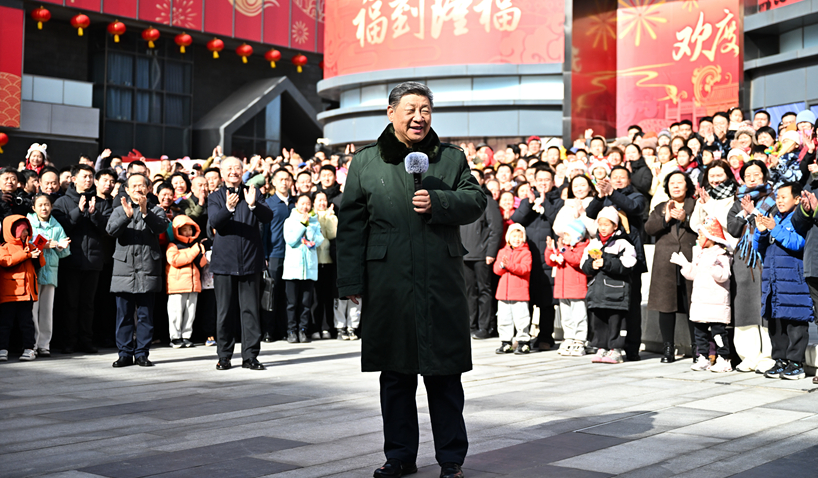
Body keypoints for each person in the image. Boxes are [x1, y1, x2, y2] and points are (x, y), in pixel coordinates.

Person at [336, 82, 485, 478]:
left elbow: (476, 200)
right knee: (396, 374)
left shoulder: (451, 159)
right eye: (411, 109)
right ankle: (399, 455)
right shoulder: (366, 162)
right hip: (389, 282)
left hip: (440, 281)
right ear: (391, 113)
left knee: (444, 374)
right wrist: (350, 279)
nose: (419, 117)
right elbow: (351, 224)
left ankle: (451, 459)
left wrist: (441, 202)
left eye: (426, 110)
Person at [209, 157, 274, 371]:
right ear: (222, 172)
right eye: (229, 168)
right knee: (224, 312)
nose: (233, 172)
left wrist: (254, 204)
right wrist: (227, 209)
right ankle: (224, 356)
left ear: (242, 170)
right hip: (224, 262)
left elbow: (268, 216)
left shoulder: (252, 192)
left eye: (237, 168)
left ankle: (250, 357)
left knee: (250, 311)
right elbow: (215, 222)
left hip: (250, 261)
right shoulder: (216, 196)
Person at [107, 174, 169, 368]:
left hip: (147, 269)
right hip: (124, 269)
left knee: (145, 315)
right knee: (123, 314)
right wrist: (126, 217)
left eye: (141, 185)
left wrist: (144, 212)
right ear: (127, 189)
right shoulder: (119, 209)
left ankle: (142, 353)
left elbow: (161, 228)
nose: (137, 189)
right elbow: (111, 231)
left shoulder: (156, 210)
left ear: (148, 189)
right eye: (133, 186)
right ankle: (124, 353)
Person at [754, 182, 813, 380]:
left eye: (784, 196)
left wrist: (774, 228)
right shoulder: (775, 218)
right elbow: (760, 249)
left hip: (793, 281)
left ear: (797, 199)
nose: (779, 200)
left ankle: (796, 363)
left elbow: (797, 243)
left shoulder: (798, 220)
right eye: (777, 197)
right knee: (775, 323)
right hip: (773, 280)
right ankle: (780, 360)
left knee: (795, 322)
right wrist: (761, 232)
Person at [52, 164, 112, 354]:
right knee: (70, 303)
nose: (88, 180)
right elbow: (60, 228)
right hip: (70, 260)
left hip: (93, 261)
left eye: (90, 177)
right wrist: (78, 212)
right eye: (84, 176)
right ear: (74, 179)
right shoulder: (62, 202)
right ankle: (69, 341)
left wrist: (94, 214)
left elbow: (107, 230)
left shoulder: (101, 202)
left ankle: (86, 340)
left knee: (88, 304)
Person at [646, 171, 697, 363]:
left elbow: (705, 227)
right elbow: (649, 229)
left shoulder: (696, 204)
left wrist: (686, 218)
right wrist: (665, 218)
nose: (675, 186)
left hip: (690, 259)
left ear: (687, 185)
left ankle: (697, 347)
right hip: (665, 263)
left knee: (693, 305)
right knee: (665, 307)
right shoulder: (660, 207)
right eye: (671, 183)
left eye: (679, 182)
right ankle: (668, 348)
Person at [672, 217, 733, 372]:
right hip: (700, 301)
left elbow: (724, 276)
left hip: (716, 302)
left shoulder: (722, 255)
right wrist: (685, 265)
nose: (697, 238)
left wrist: (714, 266)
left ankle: (723, 358)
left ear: (710, 237)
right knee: (700, 332)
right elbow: (695, 274)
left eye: (700, 235)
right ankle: (703, 357)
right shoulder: (700, 253)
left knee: (718, 333)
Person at [581, 207, 637, 364]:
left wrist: (606, 262)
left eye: (607, 224)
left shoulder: (623, 243)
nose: (603, 228)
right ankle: (601, 346)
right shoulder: (593, 244)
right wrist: (592, 265)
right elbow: (583, 265)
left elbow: (628, 264)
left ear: (615, 226)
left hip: (616, 292)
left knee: (616, 321)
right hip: (597, 292)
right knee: (599, 321)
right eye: (601, 224)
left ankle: (616, 349)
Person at [28, 195, 70, 357]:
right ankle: (32, 343)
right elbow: (26, 244)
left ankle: (44, 345)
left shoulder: (57, 226)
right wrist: (45, 244)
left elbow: (64, 253)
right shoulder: (29, 223)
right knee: (32, 310)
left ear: (51, 207)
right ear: (34, 208)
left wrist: (61, 247)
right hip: (34, 272)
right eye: (40, 205)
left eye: (47, 205)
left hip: (51, 272)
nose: (44, 208)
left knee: (47, 310)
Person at [461, 176, 502, 339]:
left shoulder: (487, 201)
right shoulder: (463, 200)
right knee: (469, 291)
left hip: (482, 255)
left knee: (484, 290)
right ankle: (471, 325)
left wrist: (491, 252)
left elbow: (496, 229)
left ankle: (485, 327)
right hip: (465, 254)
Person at [0, 215, 45, 362]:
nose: (25, 233)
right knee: (5, 323)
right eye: (22, 231)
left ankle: (29, 348)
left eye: (27, 230)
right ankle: (2, 349)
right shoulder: (4, 247)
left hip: (28, 294)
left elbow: (40, 264)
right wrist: (27, 254)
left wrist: (38, 254)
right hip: (9, 293)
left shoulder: (30, 246)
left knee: (26, 323)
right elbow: (6, 261)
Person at [283, 194, 324, 343]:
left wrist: (312, 234)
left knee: (306, 303)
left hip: (309, 269)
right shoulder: (290, 221)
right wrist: (302, 224)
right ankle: (291, 330)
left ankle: (303, 330)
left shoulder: (315, 221)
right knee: (292, 303)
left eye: (308, 204)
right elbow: (291, 240)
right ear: (296, 205)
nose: (305, 207)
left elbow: (320, 239)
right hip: (293, 269)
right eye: (302, 203)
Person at [545, 220, 589, 357]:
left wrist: (563, 250)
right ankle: (569, 337)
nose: (564, 238)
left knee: (579, 316)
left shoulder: (581, 248)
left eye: (568, 235)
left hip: (576, 289)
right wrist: (550, 249)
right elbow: (551, 261)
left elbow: (575, 260)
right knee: (566, 317)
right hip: (563, 289)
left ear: (577, 236)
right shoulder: (565, 249)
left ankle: (580, 340)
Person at [263, 168, 295, 342]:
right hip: (275, 254)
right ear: (273, 182)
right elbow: (264, 232)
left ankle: (284, 330)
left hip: (294, 256)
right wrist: (265, 255)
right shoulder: (268, 204)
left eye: (287, 179)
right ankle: (268, 331)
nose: (284, 182)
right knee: (271, 294)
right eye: (281, 179)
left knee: (287, 295)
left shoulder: (296, 204)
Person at [166, 215, 207, 348]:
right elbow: (176, 261)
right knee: (176, 312)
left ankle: (186, 336)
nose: (188, 232)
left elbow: (201, 263)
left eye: (190, 229)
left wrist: (202, 251)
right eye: (184, 229)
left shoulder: (195, 246)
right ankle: (175, 337)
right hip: (177, 285)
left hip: (193, 284)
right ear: (177, 230)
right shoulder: (173, 245)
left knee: (190, 313)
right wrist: (195, 250)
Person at [493, 223, 532, 355]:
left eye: (519, 237)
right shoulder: (502, 252)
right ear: (508, 237)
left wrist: (509, 265)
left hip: (519, 292)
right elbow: (496, 270)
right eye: (514, 236)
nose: (517, 239)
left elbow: (525, 269)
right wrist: (502, 265)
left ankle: (523, 342)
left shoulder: (526, 253)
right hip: (503, 293)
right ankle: (506, 341)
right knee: (504, 319)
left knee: (522, 319)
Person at [312, 191, 338, 339]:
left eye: (324, 200)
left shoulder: (331, 216)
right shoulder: (310, 216)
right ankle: (315, 327)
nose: (322, 203)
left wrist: (329, 217)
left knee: (327, 297)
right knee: (315, 298)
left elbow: (332, 234)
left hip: (328, 261)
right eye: (319, 200)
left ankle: (326, 327)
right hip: (314, 262)